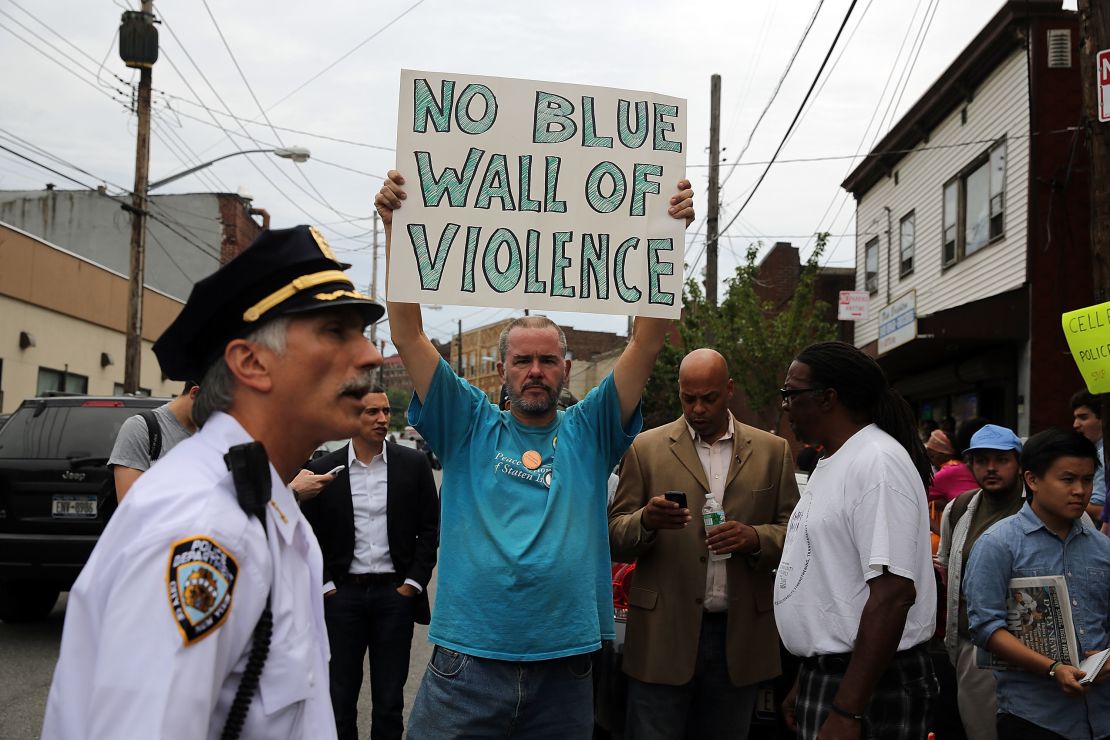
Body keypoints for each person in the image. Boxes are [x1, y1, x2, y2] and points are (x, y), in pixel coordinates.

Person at [375, 169, 694, 739]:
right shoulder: (467, 422)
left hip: (564, 668)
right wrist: (398, 231)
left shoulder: (591, 428)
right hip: (466, 665)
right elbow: (407, 334)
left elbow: (647, 339)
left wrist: (668, 236)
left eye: (547, 361)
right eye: (522, 361)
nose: (535, 372)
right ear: (502, 370)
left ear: (567, 369)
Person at [42, 225, 384, 740]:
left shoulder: (263, 510)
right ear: (251, 363)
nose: (371, 356)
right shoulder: (202, 526)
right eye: (336, 331)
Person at [608, 348, 799, 739]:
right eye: (688, 398)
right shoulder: (645, 448)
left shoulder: (772, 451)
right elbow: (613, 537)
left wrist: (754, 538)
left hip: (739, 637)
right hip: (662, 637)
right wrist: (646, 520)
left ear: (729, 390)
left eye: (708, 398)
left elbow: (797, 534)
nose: (697, 408)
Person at [774, 341, 938, 740]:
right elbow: (833, 581)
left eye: (790, 394)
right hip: (835, 675)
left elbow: (894, 594)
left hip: (871, 687)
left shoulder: (876, 462)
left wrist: (848, 709)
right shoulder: (837, 459)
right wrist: (810, 672)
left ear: (827, 398)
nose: (784, 406)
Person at [300, 386, 440, 740]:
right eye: (371, 412)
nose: (382, 419)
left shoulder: (412, 463)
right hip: (342, 598)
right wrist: (327, 586)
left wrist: (413, 584)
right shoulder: (321, 470)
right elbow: (307, 535)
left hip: (395, 597)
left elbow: (430, 527)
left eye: (385, 411)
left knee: (390, 701)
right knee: (340, 699)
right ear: (351, 419)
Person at [964, 428, 1110, 739]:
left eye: (1087, 480)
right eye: (1068, 479)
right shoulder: (998, 544)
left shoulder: (1102, 548)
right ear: (1033, 480)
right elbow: (986, 627)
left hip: (1101, 713)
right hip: (1033, 716)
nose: (1080, 491)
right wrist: (1052, 668)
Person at [935, 424, 1026, 740]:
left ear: (1019, 463)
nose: (990, 468)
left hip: (1032, 647)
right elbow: (946, 563)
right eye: (981, 460)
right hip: (975, 645)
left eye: (1001, 460)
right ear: (969, 464)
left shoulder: (1041, 504)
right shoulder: (959, 509)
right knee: (982, 730)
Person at [108, 380, 199, 501]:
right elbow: (131, 508)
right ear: (195, 393)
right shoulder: (141, 427)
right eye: (220, 407)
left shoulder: (217, 433)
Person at [1071, 389, 1105, 521]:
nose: (1075, 425)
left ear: (1104, 418)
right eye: (1075, 418)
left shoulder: (1103, 456)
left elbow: (1099, 511)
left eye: (1083, 417)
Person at [925, 428, 978, 504]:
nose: (930, 461)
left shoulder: (949, 471)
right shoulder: (963, 467)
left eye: (932, 456)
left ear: (946, 454)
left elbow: (921, 493)